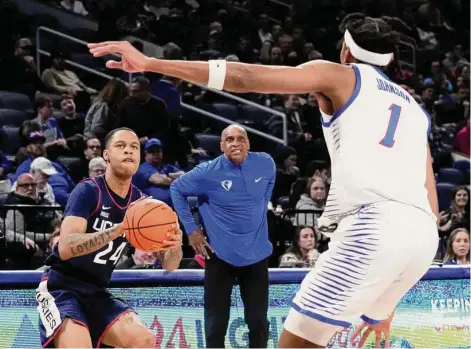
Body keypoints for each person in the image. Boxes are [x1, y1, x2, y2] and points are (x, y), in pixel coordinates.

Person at [88, 12, 440, 348]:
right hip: (422, 237)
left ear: (346, 50)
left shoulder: (339, 75)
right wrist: (387, 301)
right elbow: (431, 202)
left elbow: (244, 78)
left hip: (374, 228)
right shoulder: (413, 107)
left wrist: (151, 64)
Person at [35, 127, 183, 348]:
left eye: (134, 147)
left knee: (144, 340)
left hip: (96, 291)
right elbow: (65, 248)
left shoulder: (143, 205)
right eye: (120, 146)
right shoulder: (88, 191)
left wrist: (175, 247)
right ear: (106, 155)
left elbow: (170, 265)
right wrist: (118, 229)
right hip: (61, 287)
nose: (129, 151)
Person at [169, 124, 276, 348]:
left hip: (256, 255)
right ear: (221, 146)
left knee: (258, 322)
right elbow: (176, 189)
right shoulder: (207, 171)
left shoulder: (266, 163)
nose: (235, 143)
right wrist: (191, 229)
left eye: (240, 138)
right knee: (215, 326)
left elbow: (267, 189)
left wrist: (258, 207)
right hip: (219, 256)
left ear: (248, 143)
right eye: (229, 139)